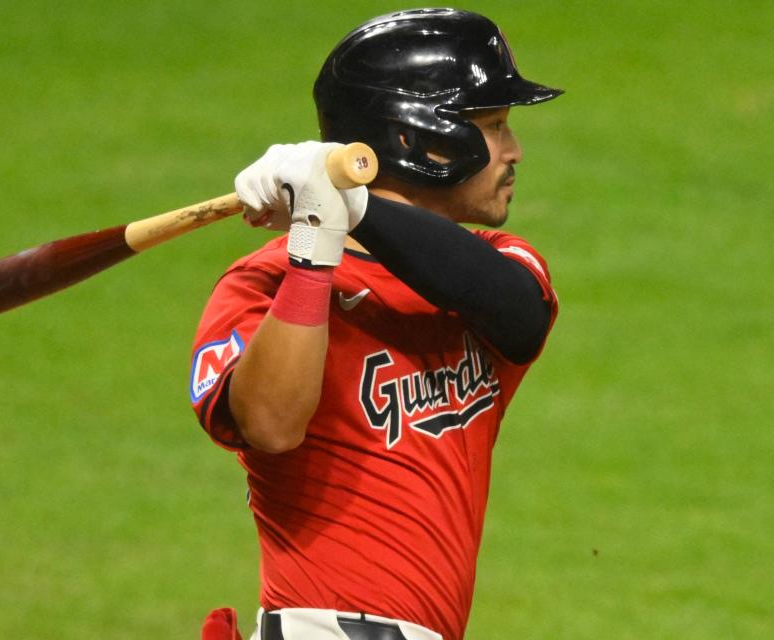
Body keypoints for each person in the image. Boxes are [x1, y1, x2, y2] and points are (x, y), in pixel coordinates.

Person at [191, 8, 563, 640]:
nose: (514, 151)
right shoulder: (263, 283)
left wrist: (349, 203)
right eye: (495, 126)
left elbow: (517, 314)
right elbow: (272, 426)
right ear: (419, 139)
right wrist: (313, 247)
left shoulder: (497, 270)